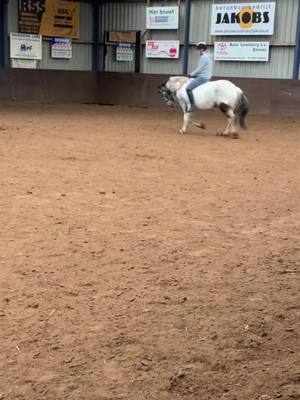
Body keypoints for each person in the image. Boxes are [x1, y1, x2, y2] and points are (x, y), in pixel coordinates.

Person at [185, 42, 213, 111]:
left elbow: (199, 70)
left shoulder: (204, 57)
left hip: (202, 77)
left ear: (201, 49)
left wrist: (191, 74)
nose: (198, 51)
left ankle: (192, 106)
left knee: (188, 88)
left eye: (198, 50)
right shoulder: (209, 55)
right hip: (207, 77)